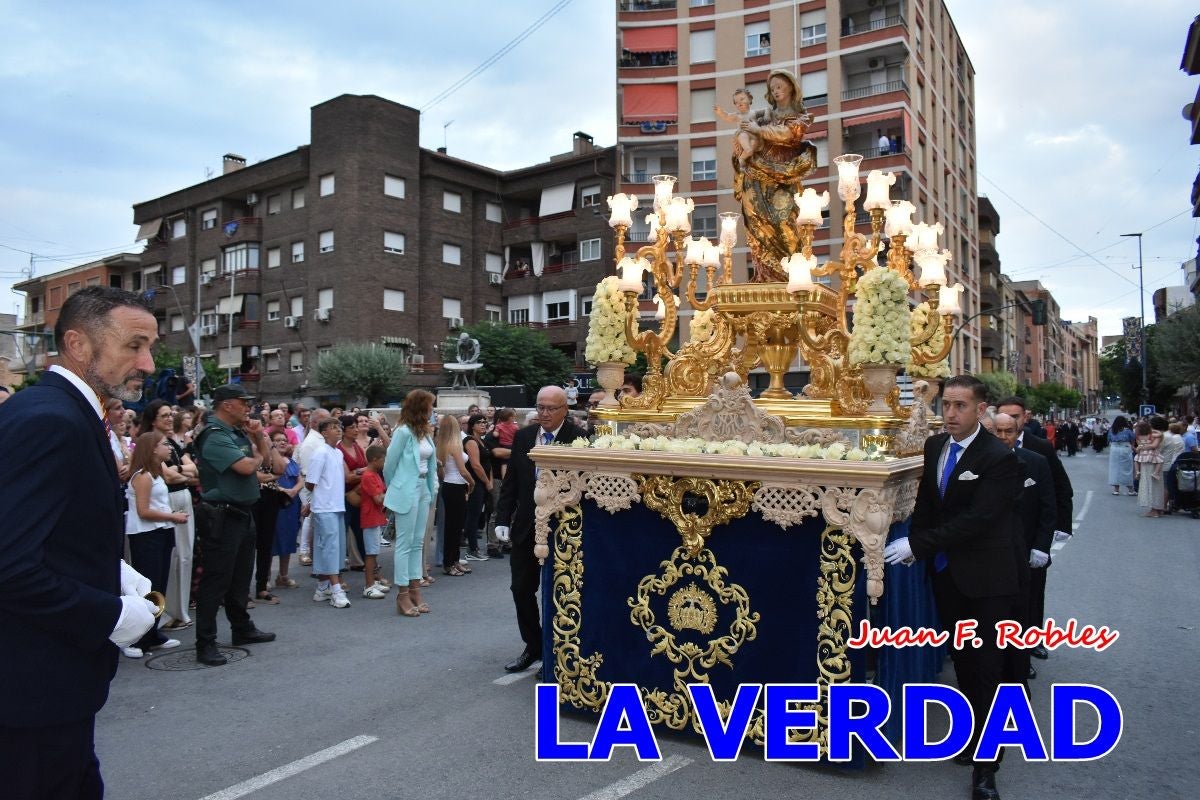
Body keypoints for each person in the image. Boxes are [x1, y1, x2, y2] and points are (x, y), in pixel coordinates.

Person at [0, 285, 159, 797]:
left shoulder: (61, 411)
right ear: (79, 344)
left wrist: (106, 567)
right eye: (134, 345)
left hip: (45, 687)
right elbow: (10, 565)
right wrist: (107, 614)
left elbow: (48, 530)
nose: (148, 363)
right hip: (32, 689)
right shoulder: (51, 418)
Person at [884, 375, 1025, 800]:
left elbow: (977, 520)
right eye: (946, 404)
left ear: (981, 410)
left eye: (960, 406)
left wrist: (918, 542)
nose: (949, 414)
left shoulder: (999, 458)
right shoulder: (935, 446)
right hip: (947, 575)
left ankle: (987, 770)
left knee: (987, 669)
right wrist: (918, 550)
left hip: (989, 579)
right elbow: (929, 505)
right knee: (963, 662)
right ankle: (975, 737)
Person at [495, 386, 588, 673]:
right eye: (540, 407)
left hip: (564, 527)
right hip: (526, 526)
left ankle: (560, 653)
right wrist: (501, 518)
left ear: (565, 411)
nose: (545, 413)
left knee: (560, 592)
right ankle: (533, 646)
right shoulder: (524, 437)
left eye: (551, 408)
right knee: (521, 589)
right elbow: (511, 483)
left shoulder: (580, 439)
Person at [192, 384, 279, 666]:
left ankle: (241, 627)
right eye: (243, 402)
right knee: (216, 580)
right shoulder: (214, 435)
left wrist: (258, 438)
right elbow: (245, 468)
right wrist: (253, 458)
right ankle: (205, 643)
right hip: (221, 514)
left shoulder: (236, 432)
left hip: (242, 512)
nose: (248, 408)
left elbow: (265, 462)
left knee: (240, 577)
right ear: (227, 405)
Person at [732, 69, 816, 282]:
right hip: (756, 175)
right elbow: (744, 131)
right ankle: (764, 276)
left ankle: (789, 275)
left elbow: (789, 135)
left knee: (785, 222)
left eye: (780, 86)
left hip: (784, 174)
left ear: (791, 87)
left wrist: (758, 131)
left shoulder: (801, 117)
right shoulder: (763, 116)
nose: (776, 91)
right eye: (772, 88)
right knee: (757, 224)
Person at [993, 412, 1056, 680]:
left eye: (1009, 431)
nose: (1004, 437)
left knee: (1022, 610)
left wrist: (1042, 546)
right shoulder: (981, 463)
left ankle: (1022, 660)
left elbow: (1048, 506)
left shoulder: (1036, 462)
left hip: (1026, 551)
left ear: (1017, 432)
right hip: (992, 554)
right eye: (999, 432)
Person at [123, 430, 190, 658]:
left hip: (161, 532)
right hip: (146, 535)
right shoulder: (142, 476)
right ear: (152, 449)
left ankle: (152, 633)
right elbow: (143, 511)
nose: (169, 447)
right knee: (147, 587)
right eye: (164, 444)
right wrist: (172, 516)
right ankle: (135, 638)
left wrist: (170, 515)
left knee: (159, 584)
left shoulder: (157, 473)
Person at [142, 401, 198, 631]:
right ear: (153, 419)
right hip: (170, 499)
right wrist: (182, 473)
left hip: (182, 496)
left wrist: (180, 473)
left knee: (186, 555)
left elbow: (192, 468)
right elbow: (167, 476)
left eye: (170, 414)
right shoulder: (149, 441)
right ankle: (168, 613)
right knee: (173, 556)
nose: (169, 418)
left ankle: (180, 610)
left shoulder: (173, 442)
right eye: (164, 415)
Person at [383, 390, 439, 617]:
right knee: (405, 544)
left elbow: (430, 463)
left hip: (423, 489)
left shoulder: (424, 433)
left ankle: (416, 591)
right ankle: (402, 594)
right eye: (430, 406)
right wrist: (397, 488)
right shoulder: (403, 432)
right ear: (420, 407)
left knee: (417, 543)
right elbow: (389, 466)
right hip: (407, 490)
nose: (433, 410)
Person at [996, 396, 1074, 545]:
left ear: (1025, 417)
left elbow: (1061, 485)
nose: (1010, 420)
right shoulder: (990, 445)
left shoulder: (1041, 447)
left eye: (1015, 416)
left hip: (1032, 528)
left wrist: (1064, 524)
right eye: (1005, 416)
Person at [306, 417, 352, 608]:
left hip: (337, 505)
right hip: (325, 507)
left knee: (334, 547)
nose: (338, 430)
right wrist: (314, 502)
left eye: (338, 427)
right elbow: (310, 483)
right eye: (333, 428)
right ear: (324, 432)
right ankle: (336, 590)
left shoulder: (337, 453)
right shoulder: (320, 453)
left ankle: (322, 587)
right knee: (330, 548)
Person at [436, 415, 475, 577]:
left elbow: (441, 469)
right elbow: (463, 470)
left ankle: (453, 561)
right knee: (455, 527)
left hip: (448, 485)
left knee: (452, 526)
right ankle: (450, 563)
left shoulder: (440, 444)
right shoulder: (455, 445)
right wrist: (472, 482)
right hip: (457, 486)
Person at [269, 429, 302, 590]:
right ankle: (266, 576)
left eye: (284, 440)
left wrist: (294, 490)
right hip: (275, 504)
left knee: (289, 538)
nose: (282, 442)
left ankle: (283, 575)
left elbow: (300, 479)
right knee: (271, 539)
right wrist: (283, 491)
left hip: (292, 505)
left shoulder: (292, 461)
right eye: (278, 440)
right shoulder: (268, 461)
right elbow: (268, 481)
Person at [357, 444, 391, 599]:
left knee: (374, 552)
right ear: (375, 459)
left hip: (375, 517)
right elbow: (378, 499)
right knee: (370, 553)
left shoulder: (375, 473)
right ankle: (369, 585)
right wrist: (391, 492)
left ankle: (373, 581)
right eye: (383, 459)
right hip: (370, 517)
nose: (385, 462)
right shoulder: (369, 476)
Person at [463, 413, 494, 561]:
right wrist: (487, 482)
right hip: (475, 482)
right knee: (473, 515)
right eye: (480, 422)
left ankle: (476, 548)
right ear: (472, 425)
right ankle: (472, 549)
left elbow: (489, 465)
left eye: (485, 422)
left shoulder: (483, 441)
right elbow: (476, 465)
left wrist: (491, 481)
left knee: (481, 514)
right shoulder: (470, 441)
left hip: (484, 482)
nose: (483, 424)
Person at [714, 88, 763, 167]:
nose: (739, 103)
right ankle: (746, 152)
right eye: (736, 102)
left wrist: (767, 115)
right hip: (743, 134)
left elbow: (767, 111)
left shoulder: (754, 113)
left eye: (742, 99)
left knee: (754, 144)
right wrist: (720, 112)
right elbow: (727, 116)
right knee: (744, 138)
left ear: (749, 99)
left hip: (754, 136)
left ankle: (743, 157)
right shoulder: (737, 115)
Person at [1135, 418, 1166, 517]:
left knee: (1150, 484)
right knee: (1157, 485)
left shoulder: (1150, 436)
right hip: (1156, 461)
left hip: (1149, 462)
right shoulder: (1157, 435)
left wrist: (1141, 447)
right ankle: (1158, 507)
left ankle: (1154, 509)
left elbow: (1153, 445)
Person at [1107, 415, 1136, 496]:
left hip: (1114, 449)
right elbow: (1133, 439)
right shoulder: (1127, 430)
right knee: (1127, 469)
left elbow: (1108, 439)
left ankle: (1116, 489)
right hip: (1125, 448)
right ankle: (1130, 490)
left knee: (1115, 469)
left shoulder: (1112, 430)